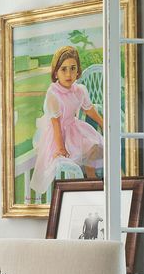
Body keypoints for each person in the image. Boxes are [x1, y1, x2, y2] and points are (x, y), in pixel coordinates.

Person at [27, 46, 105, 203]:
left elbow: (89, 110)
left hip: (74, 127)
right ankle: (75, 191)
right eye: (64, 69)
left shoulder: (79, 90)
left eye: (73, 68)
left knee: (95, 144)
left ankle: (90, 175)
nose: (69, 74)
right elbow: (55, 124)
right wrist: (60, 147)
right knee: (70, 158)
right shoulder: (53, 94)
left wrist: (104, 123)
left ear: (78, 70)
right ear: (56, 73)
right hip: (59, 133)